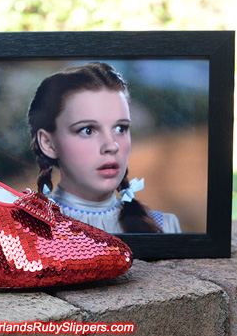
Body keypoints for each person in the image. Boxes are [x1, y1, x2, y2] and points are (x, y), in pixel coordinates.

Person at [27, 62, 181, 233]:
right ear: (48, 143)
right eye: (87, 130)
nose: (111, 146)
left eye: (120, 128)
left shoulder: (164, 226)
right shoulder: (26, 231)